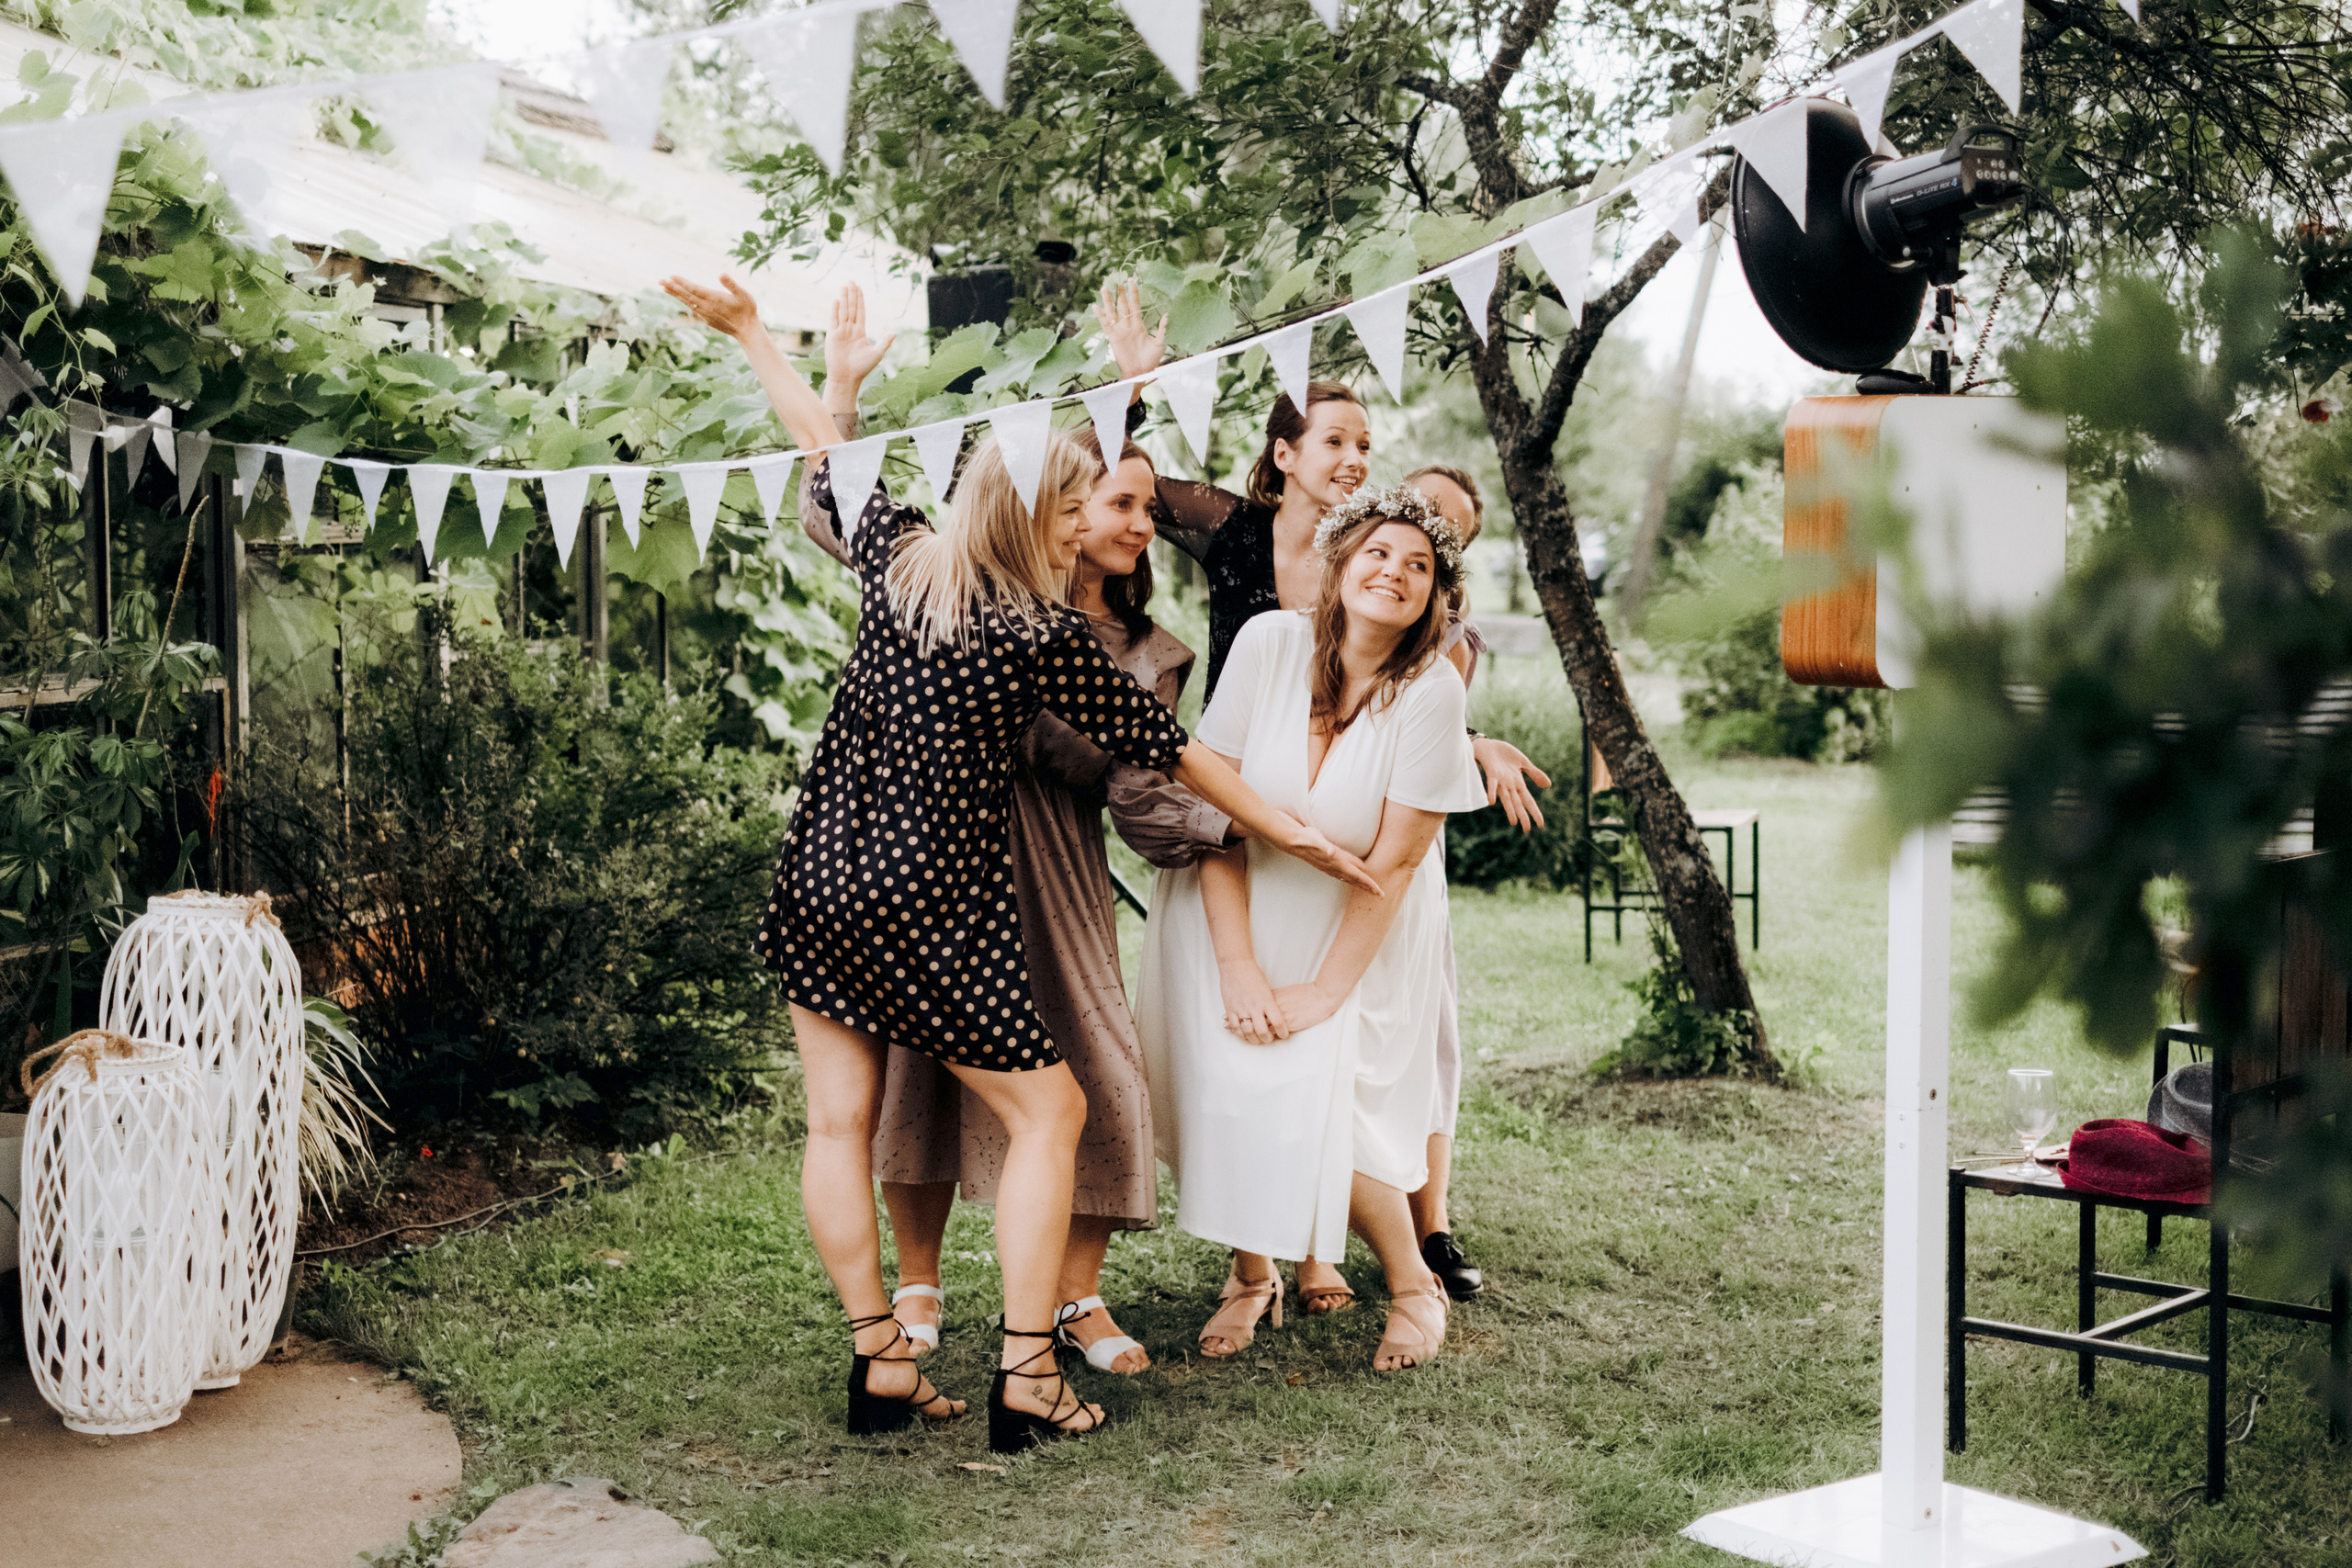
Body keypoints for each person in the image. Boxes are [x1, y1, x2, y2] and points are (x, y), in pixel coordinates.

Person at [658, 274, 1379, 1453]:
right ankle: (1028, 1376)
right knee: (1053, 1113)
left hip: (817, 885)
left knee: (836, 1125)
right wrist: (1301, 834)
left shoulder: (899, 562)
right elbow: (1185, 758)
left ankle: (881, 1358)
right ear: (1030, 514)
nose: (1080, 533)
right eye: (1068, 516)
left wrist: (758, 339)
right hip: (936, 906)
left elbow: (823, 446)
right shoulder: (1041, 635)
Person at [799, 295, 1230, 1378]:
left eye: (1146, 510)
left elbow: (1148, 786)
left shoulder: (1141, 648)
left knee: (1097, 1082)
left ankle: (1069, 1300)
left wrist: (1241, 830)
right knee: (915, 1084)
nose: (1140, 523)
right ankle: (919, 1289)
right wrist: (1124, 392)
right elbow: (845, 497)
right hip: (948, 863)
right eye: (1119, 506)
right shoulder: (974, 589)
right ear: (1066, 511)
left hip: (1055, 868)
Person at [1095, 282, 1546, 1309]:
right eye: (1333, 440)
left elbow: (1404, 710)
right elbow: (1120, 490)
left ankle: (1384, 1245)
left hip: (1359, 815)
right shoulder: (1238, 537)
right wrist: (1131, 386)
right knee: (1240, 1027)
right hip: (1246, 783)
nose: (1353, 460)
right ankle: (1259, 1259)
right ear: (1286, 455)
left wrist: (1467, 741)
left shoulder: (1410, 606)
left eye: (1362, 445)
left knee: (1393, 1034)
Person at [1139, 482, 1488, 1371]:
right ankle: (1251, 1276)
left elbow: (1400, 860)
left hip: (1354, 933)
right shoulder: (1267, 643)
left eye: (1418, 566)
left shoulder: (1429, 694)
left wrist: (1326, 992)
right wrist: (1240, 968)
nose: (1394, 572)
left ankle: (1414, 1286)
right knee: (1232, 1086)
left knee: (1335, 1108)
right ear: (1336, 567)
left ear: (1434, 600)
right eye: (1377, 552)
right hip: (1229, 909)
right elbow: (1207, 802)